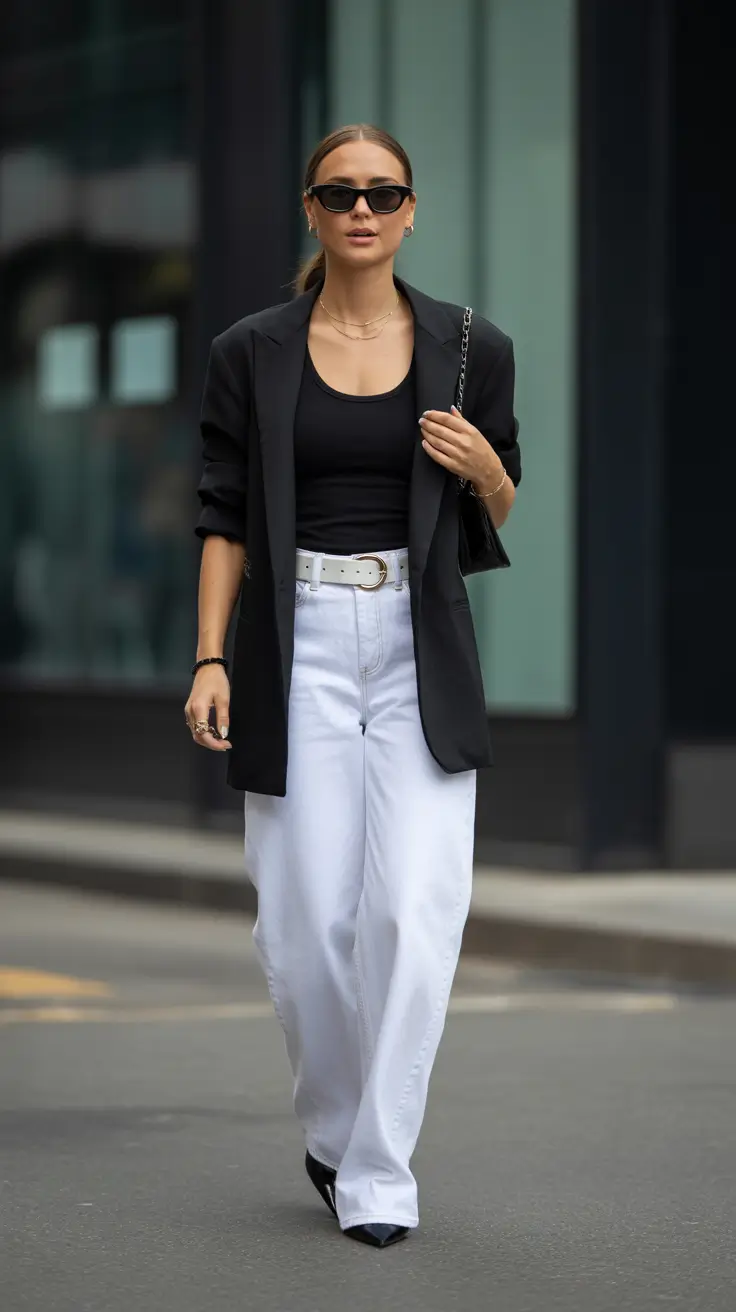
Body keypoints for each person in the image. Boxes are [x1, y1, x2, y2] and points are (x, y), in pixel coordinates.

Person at [185, 124, 521, 1249]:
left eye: (383, 192)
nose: (363, 209)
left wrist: (488, 472)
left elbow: (493, 516)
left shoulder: (474, 346)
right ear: (311, 209)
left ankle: (378, 1171)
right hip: (300, 644)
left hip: (418, 642)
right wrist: (210, 655)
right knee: (301, 928)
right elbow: (221, 512)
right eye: (341, 192)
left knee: (412, 917)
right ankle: (332, 1130)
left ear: (411, 209)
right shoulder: (252, 348)